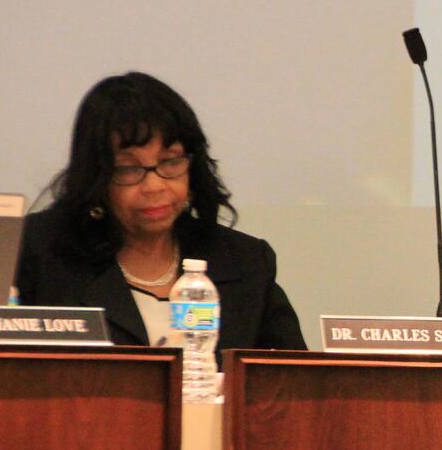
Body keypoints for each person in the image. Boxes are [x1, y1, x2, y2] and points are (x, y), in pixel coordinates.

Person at [15, 72, 305, 350]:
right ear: (97, 177)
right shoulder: (38, 254)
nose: (154, 186)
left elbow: (292, 385)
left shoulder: (246, 263)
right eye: (130, 168)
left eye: (170, 162)